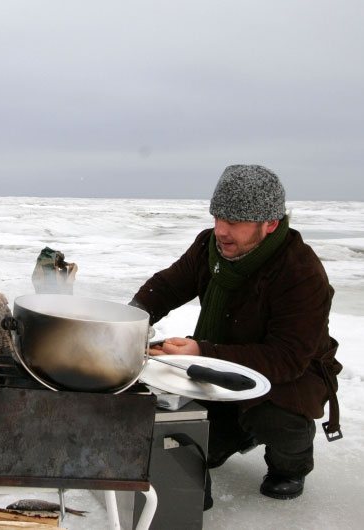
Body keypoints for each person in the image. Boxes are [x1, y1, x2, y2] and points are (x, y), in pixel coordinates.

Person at [130, 164, 342, 506]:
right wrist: (130, 320)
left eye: (235, 222)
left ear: (270, 224)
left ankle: (292, 463)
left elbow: (286, 358)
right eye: (217, 218)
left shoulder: (300, 272)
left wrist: (201, 352)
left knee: (274, 417)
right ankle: (238, 428)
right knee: (198, 446)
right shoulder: (209, 247)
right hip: (220, 361)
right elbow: (168, 287)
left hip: (290, 378)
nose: (221, 231)